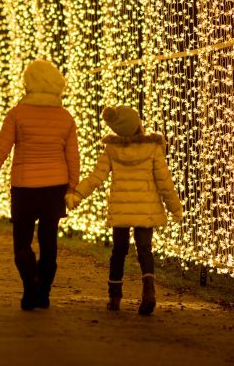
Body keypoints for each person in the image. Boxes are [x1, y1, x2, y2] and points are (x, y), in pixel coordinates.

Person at [0, 59, 80, 310]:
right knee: (49, 241)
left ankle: (30, 286)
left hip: (24, 187)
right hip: (54, 187)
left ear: (29, 84)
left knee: (21, 243)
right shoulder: (65, 117)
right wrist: (72, 187)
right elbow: (73, 157)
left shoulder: (17, 114)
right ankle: (43, 293)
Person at [65, 105, 182, 315]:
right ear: (137, 125)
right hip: (146, 210)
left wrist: (77, 195)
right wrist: (175, 208)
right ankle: (149, 291)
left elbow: (95, 178)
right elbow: (165, 182)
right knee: (145, 250)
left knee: (118, 251)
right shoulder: (153, 148)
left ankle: (115, 296)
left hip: (121, 210)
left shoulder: (111, 150)